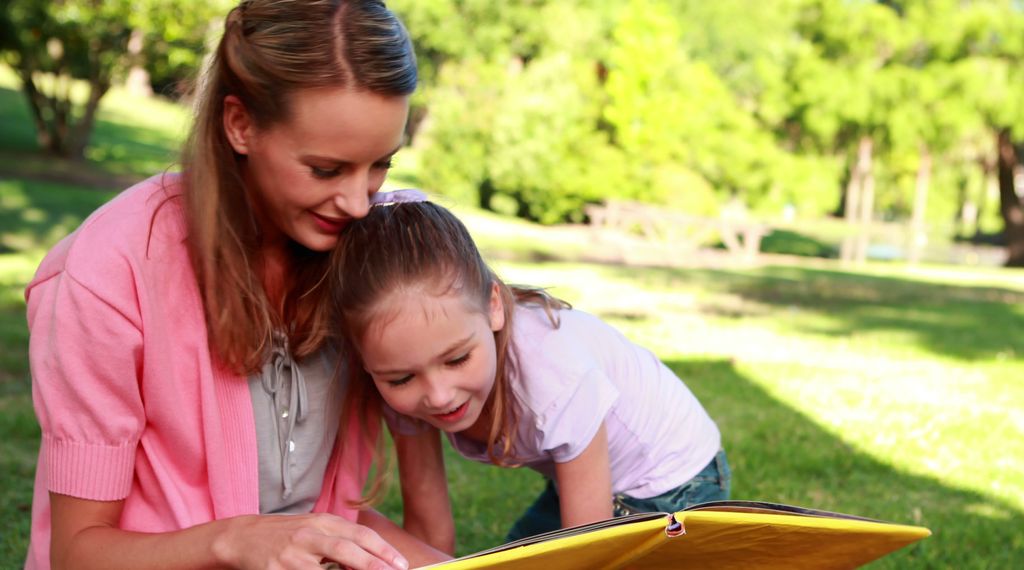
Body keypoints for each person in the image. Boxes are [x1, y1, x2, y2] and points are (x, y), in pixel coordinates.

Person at [24, 1, 451, 568]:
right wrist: (235, 541)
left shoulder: (374, 247)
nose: (356, 203)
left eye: (380, 165)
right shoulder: (108, 271)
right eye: (326, 169)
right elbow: (77, 553)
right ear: (240, 124)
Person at [330, 194, 731, 553]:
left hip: (673, 485)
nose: (437, 394)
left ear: (493, 307)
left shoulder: (551, 374)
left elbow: (588, 549)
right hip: (578, 484)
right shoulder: (400, 371)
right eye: (401, 379)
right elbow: (430, 533)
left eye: (456, 360)